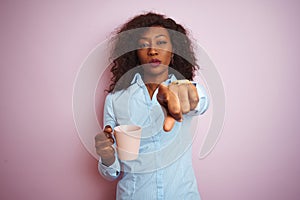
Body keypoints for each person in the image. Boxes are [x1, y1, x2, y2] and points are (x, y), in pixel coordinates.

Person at [95, 12, 209, 200]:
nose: (153, 50)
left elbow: (200, 100)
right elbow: (111, 173)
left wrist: (187, 94)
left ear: (174, 50)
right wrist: (107, 157)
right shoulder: (116, 99)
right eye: (143, 45)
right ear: (135, 53)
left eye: (161, 42)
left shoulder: (182, 88)